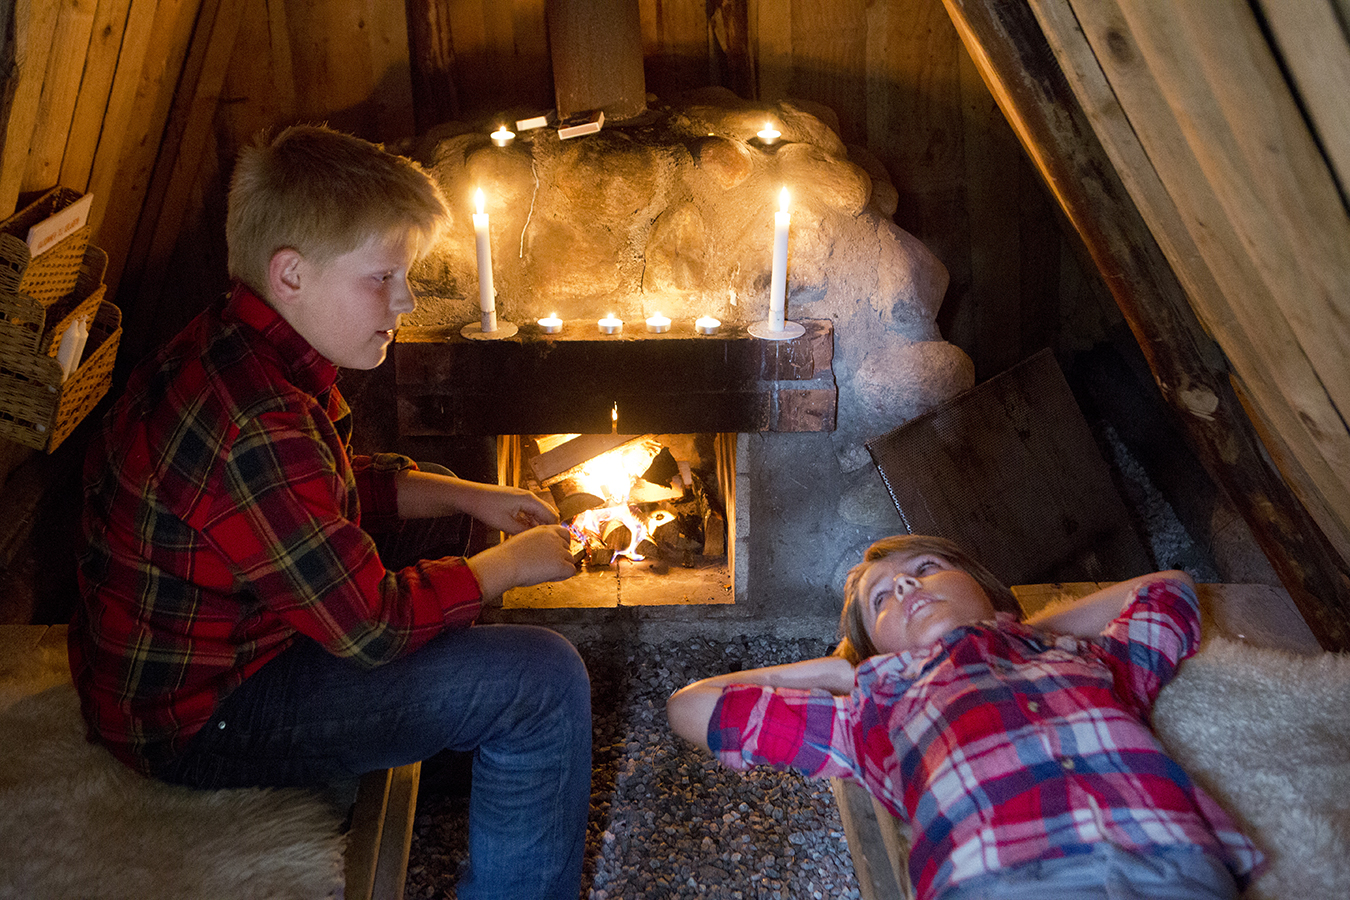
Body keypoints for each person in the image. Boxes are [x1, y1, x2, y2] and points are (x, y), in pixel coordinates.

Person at [68, 125, 591, 900]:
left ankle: (451, 743)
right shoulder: (255, 423)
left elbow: (324, 494)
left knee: (444, 504)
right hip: (200, 720)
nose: (405, 301)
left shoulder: (239, 347)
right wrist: (507, 567)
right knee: (543, 680)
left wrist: (468, 497)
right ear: (291, 274)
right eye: (382, 277)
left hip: (217, 656)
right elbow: (371, 627)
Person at [667, 534, 1264, 900]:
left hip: (1174, 865)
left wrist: (1021, 632)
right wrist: (837, 673)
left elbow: (1170, 591)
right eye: (882, 599)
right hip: (998, 881)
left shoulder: (1085, 658)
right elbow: (693, 706)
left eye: (926, 568)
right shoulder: (872, 714)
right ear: (876, 651)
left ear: (984, 588)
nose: (906, 584)